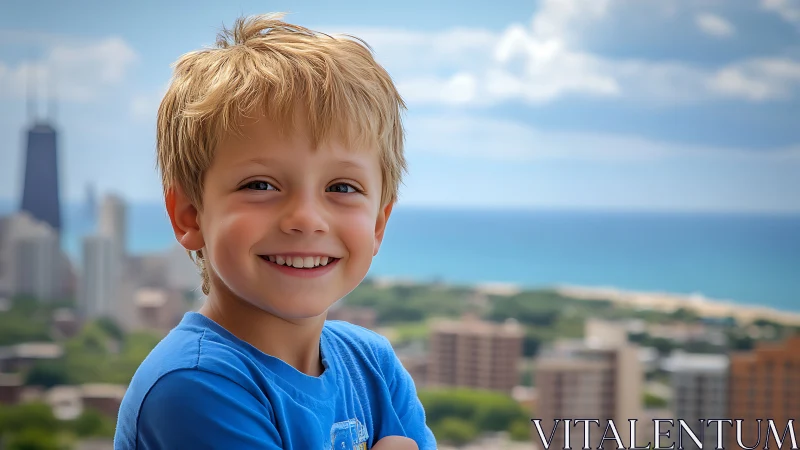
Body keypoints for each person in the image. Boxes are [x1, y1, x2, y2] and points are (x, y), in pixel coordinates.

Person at [113, 13, 436, 450]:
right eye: (260, 185)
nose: (306, 218)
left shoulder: (372, 365)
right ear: (190, 215)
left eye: (342, 187)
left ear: (378, 223)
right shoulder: (194, 387)